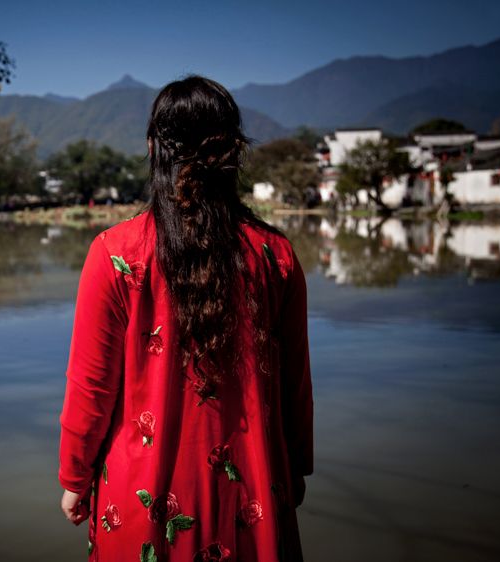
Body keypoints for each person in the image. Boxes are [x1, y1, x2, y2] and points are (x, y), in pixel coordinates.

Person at [58, 75, 313, 562]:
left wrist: (74, 477)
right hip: (257, 493)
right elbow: (295, 384)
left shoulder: (115, 254)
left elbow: (90, 388)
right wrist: (296, 463)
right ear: (232, 153)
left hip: (141, 500)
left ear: (153, 149)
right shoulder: (273, 255)